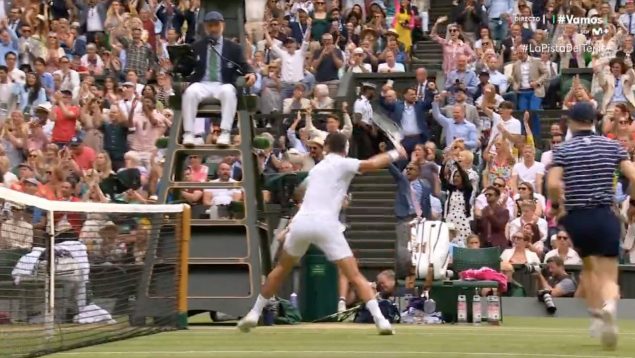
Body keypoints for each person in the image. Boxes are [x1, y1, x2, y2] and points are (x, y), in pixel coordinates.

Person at [238, 133, 405, 335]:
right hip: (326, 225)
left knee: (281, 269)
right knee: (354, 275)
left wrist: (330, 193)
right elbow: (371, 164)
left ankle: (254, 314)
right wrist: (396, 153)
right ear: (346, 148)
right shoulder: (343, 163)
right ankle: (381, 321)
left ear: (326, 147)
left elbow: (300, 192)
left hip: (301, 223)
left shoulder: (316, 169)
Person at [547, 102, 635, 350]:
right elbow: (634, 176)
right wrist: (633, 204)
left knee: (588, 268)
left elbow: (553, 185)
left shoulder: (563, 149)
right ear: (594, 121)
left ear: (572, 122)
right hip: (604, 215)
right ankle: (609, 306)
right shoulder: (612, 146)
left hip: (576, 218)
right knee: (608, 273)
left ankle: (597, 317)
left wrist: (555, 207)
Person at [181, 11, 256, 147]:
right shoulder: (197, 46)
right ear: (205, 27)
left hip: (223, 84)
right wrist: (175, 64)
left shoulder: (234, 48)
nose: (213, 29)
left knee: (229, 91)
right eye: (210, 26)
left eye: (216, 25)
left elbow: (244, 65)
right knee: (190, 92)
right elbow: (186, 68)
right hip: (202, 84)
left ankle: (225, 132)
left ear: (223, 26)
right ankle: (188, 133)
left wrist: (252, 73)